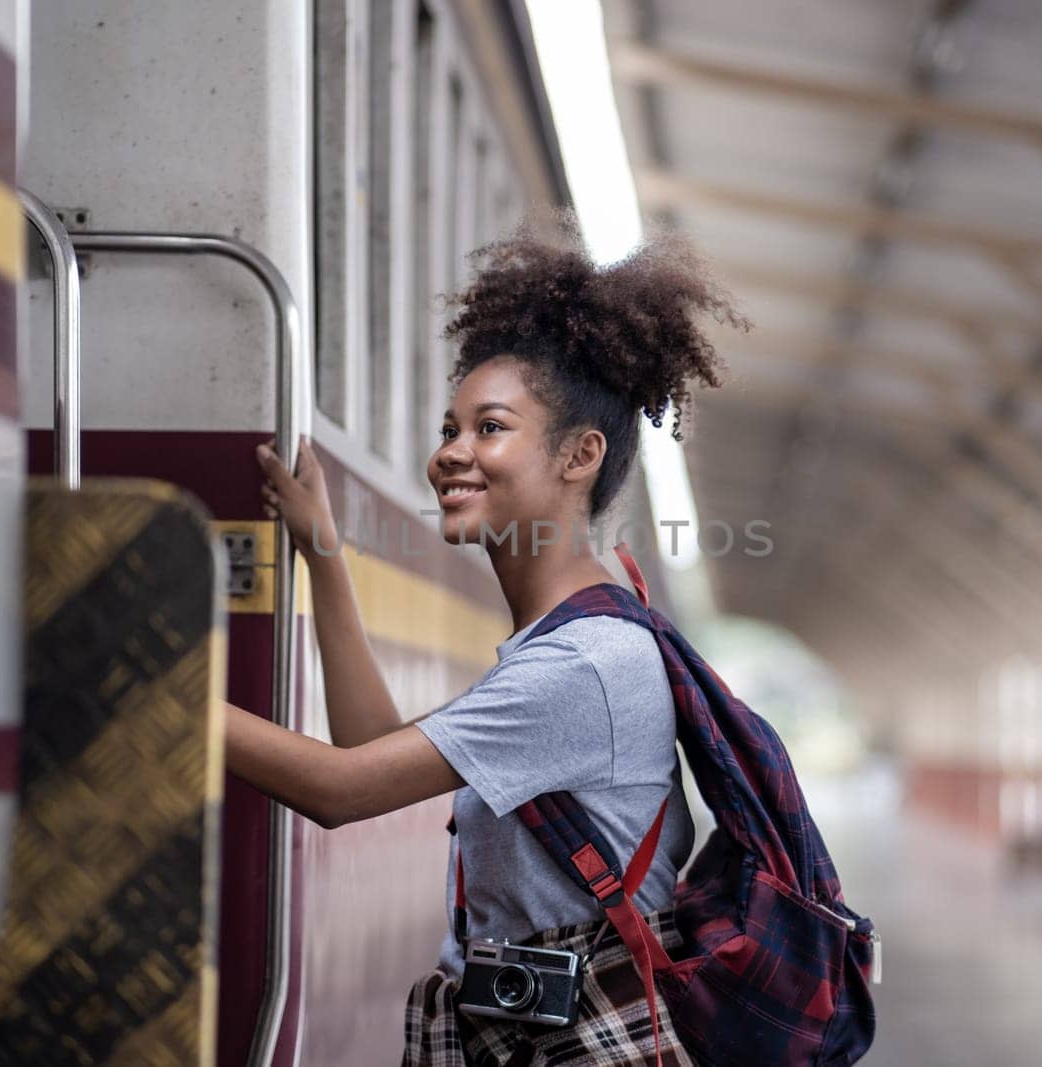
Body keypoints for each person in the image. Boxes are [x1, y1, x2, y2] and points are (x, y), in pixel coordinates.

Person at [224, 216, 745, 1064]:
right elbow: (370, 746)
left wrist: (161, 692)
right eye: (448, 428)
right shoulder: (578, 633)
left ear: (580, 454)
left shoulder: (581, 664)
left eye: (489, 428)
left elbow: (340, 787)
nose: (451, 454)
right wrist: (323, 551)